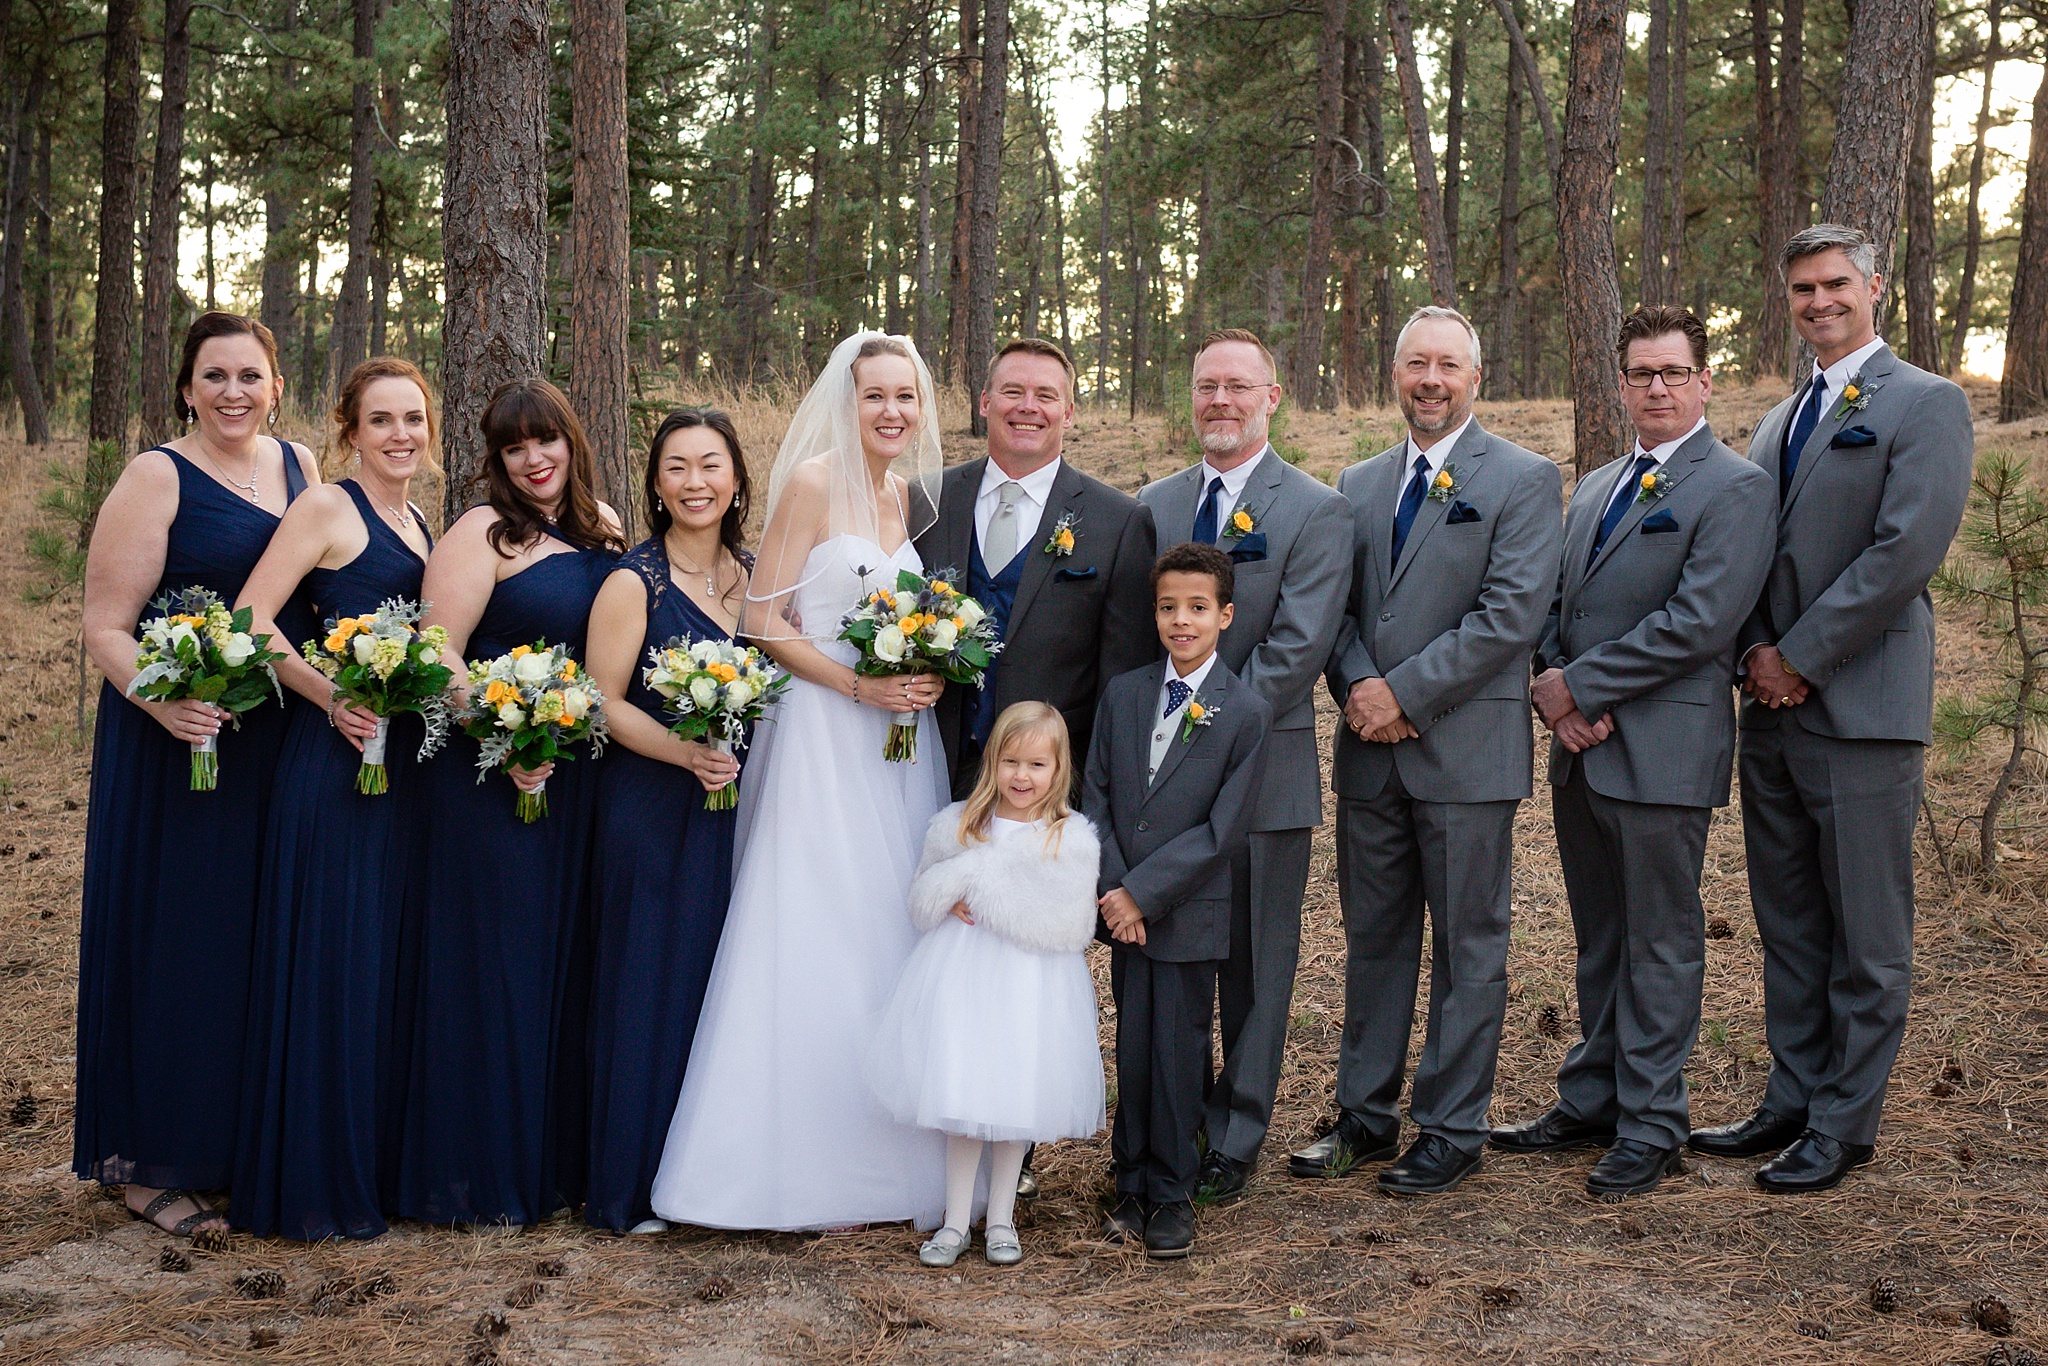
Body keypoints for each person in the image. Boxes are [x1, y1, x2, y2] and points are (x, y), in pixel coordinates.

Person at [1690, 224, 1973, 1193]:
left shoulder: (1924, 403)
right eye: (1801, 288)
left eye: (1833, 284)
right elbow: (1747, 549)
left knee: (1863, 932)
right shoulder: (1777, 419)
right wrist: (1752, 658)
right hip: (1768, 707)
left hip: (1857, 707)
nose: (1817, 302)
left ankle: (1843, 1124)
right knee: (1791, 923)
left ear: (1873, 287)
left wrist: (1799, 658)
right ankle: (1791, 1096)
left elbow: (1902, 552)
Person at [649, 332, 952, 1232]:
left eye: (907, 397)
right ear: (846, 401)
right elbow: (762, 619)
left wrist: (922, 671)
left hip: (898, 741)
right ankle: (777, 1164)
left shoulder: (904, 494)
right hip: (825, 733)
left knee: (885, 925)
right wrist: (861, 682)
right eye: (875, 396)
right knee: (816, 923)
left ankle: (892, 1157)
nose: (893, 412)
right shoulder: (816, 482)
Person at [1488, 306, 1775, 1199]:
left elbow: (1700, 621)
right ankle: (1594, 1097)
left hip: (1663, 749)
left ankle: (1653, 1122)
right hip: (1583, 747)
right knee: (1601, 936)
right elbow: (1555, 600)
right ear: (1620, 383)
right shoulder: (1601, 481)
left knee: (1660, 938)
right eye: (1641, 374)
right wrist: (1550, 681)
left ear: (1705, 382)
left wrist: (1584, 688)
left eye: (1673, 373)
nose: (1656, 388)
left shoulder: (1735, 485)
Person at [1293, 306, 1562, 1196]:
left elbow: (1512, 614)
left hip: (1465, 753)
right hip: (1371, 752)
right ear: (1395, 373)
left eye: (1448, 365)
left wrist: (1401, 694)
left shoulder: (1523, 480)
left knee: (1469, 945)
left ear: (1474, 378)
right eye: (1416, 364)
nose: (1431, 380)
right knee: (1375, 939)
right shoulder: (1355, 482)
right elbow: (1332, 608)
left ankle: (1451, 1125)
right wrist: (1364, 693)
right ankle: (1365, 1117)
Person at [75, 311, 319, 1238]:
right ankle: (150, 1162)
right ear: (186, 387)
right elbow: (106, 625)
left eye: (249, 376)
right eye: (214, 376)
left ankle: (229, 1144)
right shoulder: (155, 476)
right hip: (174, 741)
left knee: (250, 944)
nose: (232, 393)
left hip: (268, 743)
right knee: (179, 938)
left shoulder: (300, 470)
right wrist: (166, 702)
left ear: (276, 385)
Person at [916, 336, 1156, 1198]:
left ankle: (1008, 1158)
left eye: (1046, 395)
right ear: (982, 402)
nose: (1028, 406)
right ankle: (931, 1144)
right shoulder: (924, 502)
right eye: (1011, 390)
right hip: (925, 773)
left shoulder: (1117, 520)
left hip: (1036, 797)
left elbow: (1123, 677)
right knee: (937, 961)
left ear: (1069, 410)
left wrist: (1074, 804)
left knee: (1015, 973)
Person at [395, 379, 625, 1226]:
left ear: (572, 440)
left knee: (560, 965)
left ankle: (554, 1164)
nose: (534, 460)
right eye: (514, 448)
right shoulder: (482, 533)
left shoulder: (603, 531)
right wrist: (508, 728)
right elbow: (437, 650)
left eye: (547, 441)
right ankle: (477, 1173)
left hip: (577, 781)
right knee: (496, 964)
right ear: (494, 460)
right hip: (493, 781)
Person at [1136, 329, 1352, 1202]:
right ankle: (1170, 1120)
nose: (1220, 401)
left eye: (1238, 387)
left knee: (1259, 965)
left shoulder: (1315, 509)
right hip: (1157, 784)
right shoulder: (1151, 506)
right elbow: (1132, 641)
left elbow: (1297, 649)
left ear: (1273, 396)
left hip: (1266, 775)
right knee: (1174, 958)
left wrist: (1197, 732)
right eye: (1205, 387)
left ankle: (1237, 1131)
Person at [230, 358, 440, 1240]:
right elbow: (248, 617)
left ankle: (375, 1163)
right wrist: (331, 695)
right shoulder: (326, 508)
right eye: (382, 420)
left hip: (402, 778)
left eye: (414, 420)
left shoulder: (424, 521)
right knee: (333, 966)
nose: (400, 435)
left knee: (381, 969)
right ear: (349, 430)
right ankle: (313, 1180)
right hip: (331, 767)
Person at [580, 409, 752, 1234]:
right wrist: (685, 755)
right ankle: (632, 1181)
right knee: (649, 980)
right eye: (677, 467)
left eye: (710, 466)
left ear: (736, 479)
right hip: (650, 804)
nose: (695, 483)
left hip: (734, 809)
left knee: (717, 981)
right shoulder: (631, 581)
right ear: (654, 484)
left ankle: (707, 1173)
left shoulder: (756, 575)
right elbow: (600, 700)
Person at [865, 702, 1106, 1268]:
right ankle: (955, 1220)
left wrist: (984, 880)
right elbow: (922, 895)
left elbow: (1068, 922)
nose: (1022, 777)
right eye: (1011, 762)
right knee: (963, 1087)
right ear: (992, 762)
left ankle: (1001, 1217)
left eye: (1037, 765)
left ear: (1058, 770)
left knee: (1013, 1091)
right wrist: (949, 891)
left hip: (1030, 985)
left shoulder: (1069, 839)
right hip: (963, 977)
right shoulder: (957, 825)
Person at [1087, 543, 1271, 1260]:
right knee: (1133, 1046)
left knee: (1177, 1047)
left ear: (1225, 615)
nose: (1181, 621)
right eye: (1168, 608)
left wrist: (1144, 892)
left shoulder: (1245, 711)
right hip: (1122, 913)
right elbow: (1096, 792)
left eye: (1198, 608)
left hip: (1184, 912)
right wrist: (1113, 887)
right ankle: (1128, 1177)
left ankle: (1171, 1189)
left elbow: (1223, 829)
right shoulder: (1125, 693)